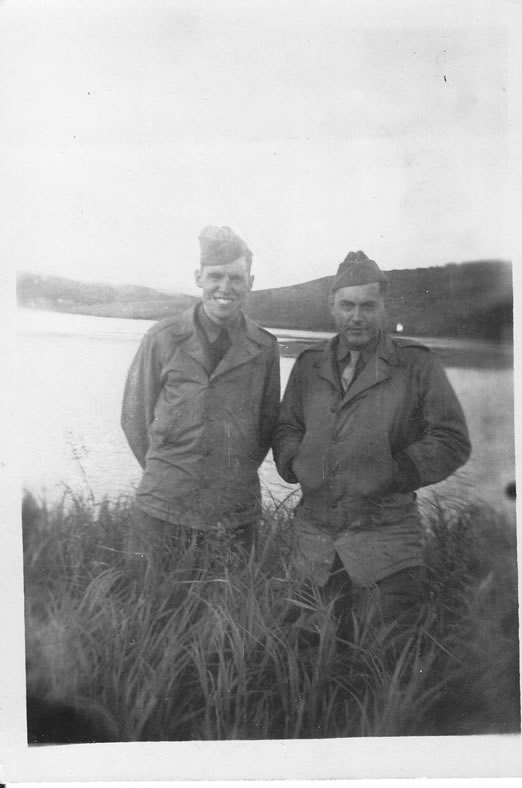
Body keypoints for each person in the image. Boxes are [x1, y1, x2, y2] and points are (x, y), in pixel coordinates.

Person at [273, 251, 471, 642]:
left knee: (379, 658)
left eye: (368, 305)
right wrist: (295, 461)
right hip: (313, 547)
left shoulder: (416, 364)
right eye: (347, 305)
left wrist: (397, 471)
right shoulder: (309, 364)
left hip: (386, 546)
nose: (357, 316)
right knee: (303, 655)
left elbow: (452, 439)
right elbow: (287, 425)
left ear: (383, 307)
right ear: (332, 306)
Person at [121, 225, 280, 572]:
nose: (226, 288)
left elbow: (266, 427)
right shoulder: (161, 338)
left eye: (236, 278)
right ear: (199, 278)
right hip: (161, 508)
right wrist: (167, 471)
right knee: (149, 610)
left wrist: (227, 475)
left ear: (250, 282)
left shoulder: (265, 347)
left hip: (233, 512)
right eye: (216, 276)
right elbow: (134, 418)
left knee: (227, 615)